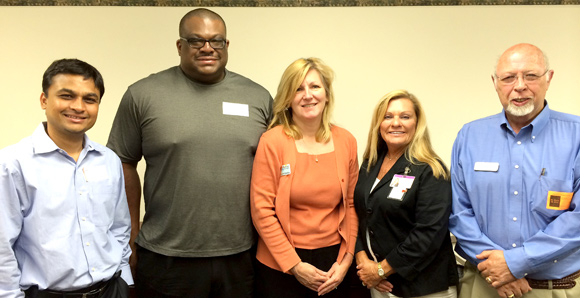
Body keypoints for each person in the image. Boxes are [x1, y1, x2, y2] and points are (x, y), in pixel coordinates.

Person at [106, 8, 272, 298]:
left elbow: (278, 166)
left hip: (241, 255)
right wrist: (130, 234)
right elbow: (122, 162)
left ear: (227, 45)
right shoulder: (143, 94)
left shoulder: (258, 97)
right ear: (180, 46)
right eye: (196, 40)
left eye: (216, 40)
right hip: (166, 257)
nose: (207, 48)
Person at [449, 43, 580, 298]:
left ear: (549, 78)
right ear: (495, 82)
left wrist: (515, 262)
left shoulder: (576, 135)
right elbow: (459, 212)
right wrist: (495, 269)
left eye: (530, 75)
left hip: (554, 289)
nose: (519, 85)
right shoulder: (470, 136)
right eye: (509, 77)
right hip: (484, 284)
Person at [0, 58, 132, 298]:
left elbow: (119, 226)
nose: (79, 107)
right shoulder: (13, 164)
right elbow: (2, 245)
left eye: (89, 99)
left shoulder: (109, 160)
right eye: (67, 96)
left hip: (110, 290)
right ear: (44, 100)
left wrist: (124, 279)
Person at [250, 57, 358, 298]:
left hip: (334, 265)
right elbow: (261, 210)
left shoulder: (346, 141)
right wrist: (294, 265)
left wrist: (346, 260)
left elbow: (351, 205)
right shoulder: (272, 141)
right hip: (281, 265)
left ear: (327, 94)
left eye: (315, 87)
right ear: (288, 99)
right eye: (298, 89)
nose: (307, 95)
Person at [354, 89, 458, 298]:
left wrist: (382, 269)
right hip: (380, 283)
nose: (395, 123)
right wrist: (362, 259)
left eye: (405, 117)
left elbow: (428, 233)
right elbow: (358, 214)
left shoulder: (430, 169)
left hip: (424, 287)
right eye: (388, 116)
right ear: (378, 124)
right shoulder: (370, 164)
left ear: (417, 123)